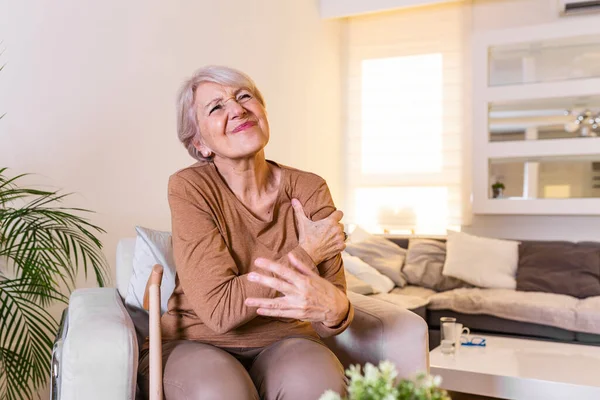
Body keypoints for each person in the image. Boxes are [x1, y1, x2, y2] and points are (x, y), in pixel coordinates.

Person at [138, 65, 353, 400]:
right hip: (195, 341)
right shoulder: (190, 187)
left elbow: (330, 311)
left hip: (287, 342)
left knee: (317, 382)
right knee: (223, 391)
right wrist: (308, 253)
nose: (237, 109)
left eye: (244, 97)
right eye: (217, 107)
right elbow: (220, 310)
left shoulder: (309, 188)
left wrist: (338, 309)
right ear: (200, 143)